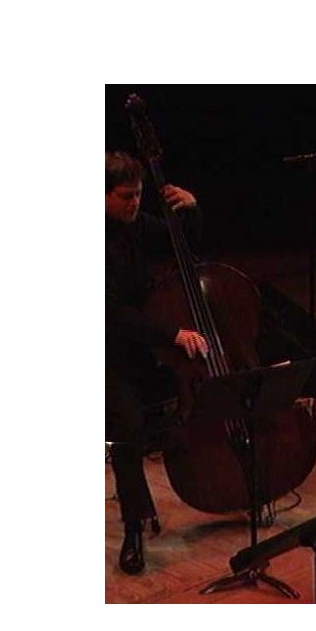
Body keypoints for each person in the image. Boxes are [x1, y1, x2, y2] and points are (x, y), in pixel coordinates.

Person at [105, 151, 208, 575]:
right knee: (127, 428)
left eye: (139, 194)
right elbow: (111, 312)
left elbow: (179, 245)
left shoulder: (133, 222)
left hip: (145, 344)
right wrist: (171, 334)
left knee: (198, 394)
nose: (135, 203)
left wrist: (191, 209)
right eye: (126, 196)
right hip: (108, 350)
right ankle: (133, 527)